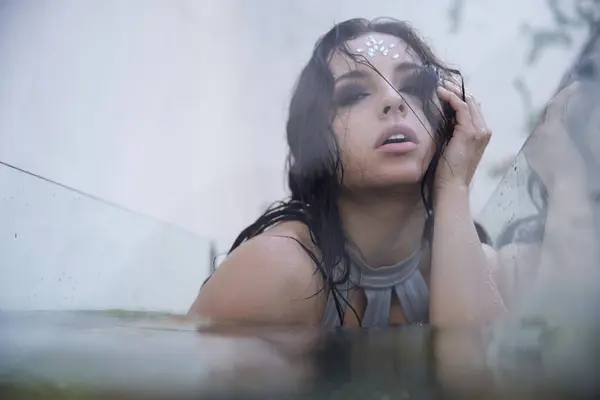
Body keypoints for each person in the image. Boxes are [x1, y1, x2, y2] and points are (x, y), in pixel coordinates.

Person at [189, 18, 507, 327]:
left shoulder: (482, 265)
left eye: (412, 85)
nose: (394, 100)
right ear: (316, 139)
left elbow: (473, 378)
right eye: (354, 94)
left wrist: (454, 184)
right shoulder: (275, 270)